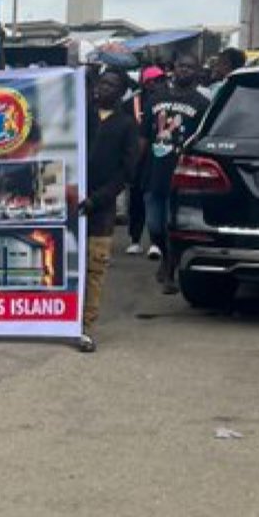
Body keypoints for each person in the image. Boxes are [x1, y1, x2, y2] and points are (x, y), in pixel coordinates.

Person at [76, 68, 140, 352]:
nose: (104, 88)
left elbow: (126, 173)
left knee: (94, 268)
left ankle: (86, 326)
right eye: (102, 82)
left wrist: (97, 200)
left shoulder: (126, 125)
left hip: (101, 212)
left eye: (112, 85)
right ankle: (61, 320)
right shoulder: (80, 115)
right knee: (66, 265)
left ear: (121, 92)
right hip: (71, 201)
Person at [139, 52, 209, 295]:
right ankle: (164, 257)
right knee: (154, 225)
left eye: (190, 67)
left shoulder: (202, 104)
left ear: (198, 72)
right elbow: (143, 137)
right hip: (154, 172)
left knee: (173, 227)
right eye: (181, 66)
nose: (184, 71)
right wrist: (136, 167)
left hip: (182, 175)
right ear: (173, 68)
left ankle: (170, 270)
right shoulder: (155, 98)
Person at [126, 67, 165, 256]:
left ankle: (156, 241)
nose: (155, 85)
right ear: (144, 82)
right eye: (151, 81)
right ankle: (134, 239)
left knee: (155, 198)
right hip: (136, 157)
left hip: (156, 157)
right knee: (136, 200)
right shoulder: (132, 101)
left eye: (159, 81)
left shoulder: (165, 101)